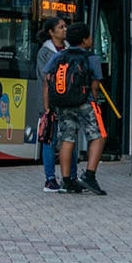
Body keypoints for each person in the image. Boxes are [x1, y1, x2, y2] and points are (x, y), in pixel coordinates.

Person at [45, 22, 108, 196]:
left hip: (63, 103)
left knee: (67, 139)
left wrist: (48, 105)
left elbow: (47, 77)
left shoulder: (59, 56)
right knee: (99, 135)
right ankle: (89, 175)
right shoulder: (91, 58)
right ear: (84, 40)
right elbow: (95, 85)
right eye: (89, 37)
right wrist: (93, 101)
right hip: (85, 103)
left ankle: (66, 181)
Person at [33, 17, 71, 192]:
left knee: (69, 139)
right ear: (51, 32)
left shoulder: (69, 49)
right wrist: (47, 108)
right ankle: (49, 178)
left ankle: (69, 176)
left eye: (65, 26)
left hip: (68, 103)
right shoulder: (45, 52)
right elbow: (45, 79)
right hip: (51, 103)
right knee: (50, 139)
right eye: (61, 27)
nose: (65, 29)